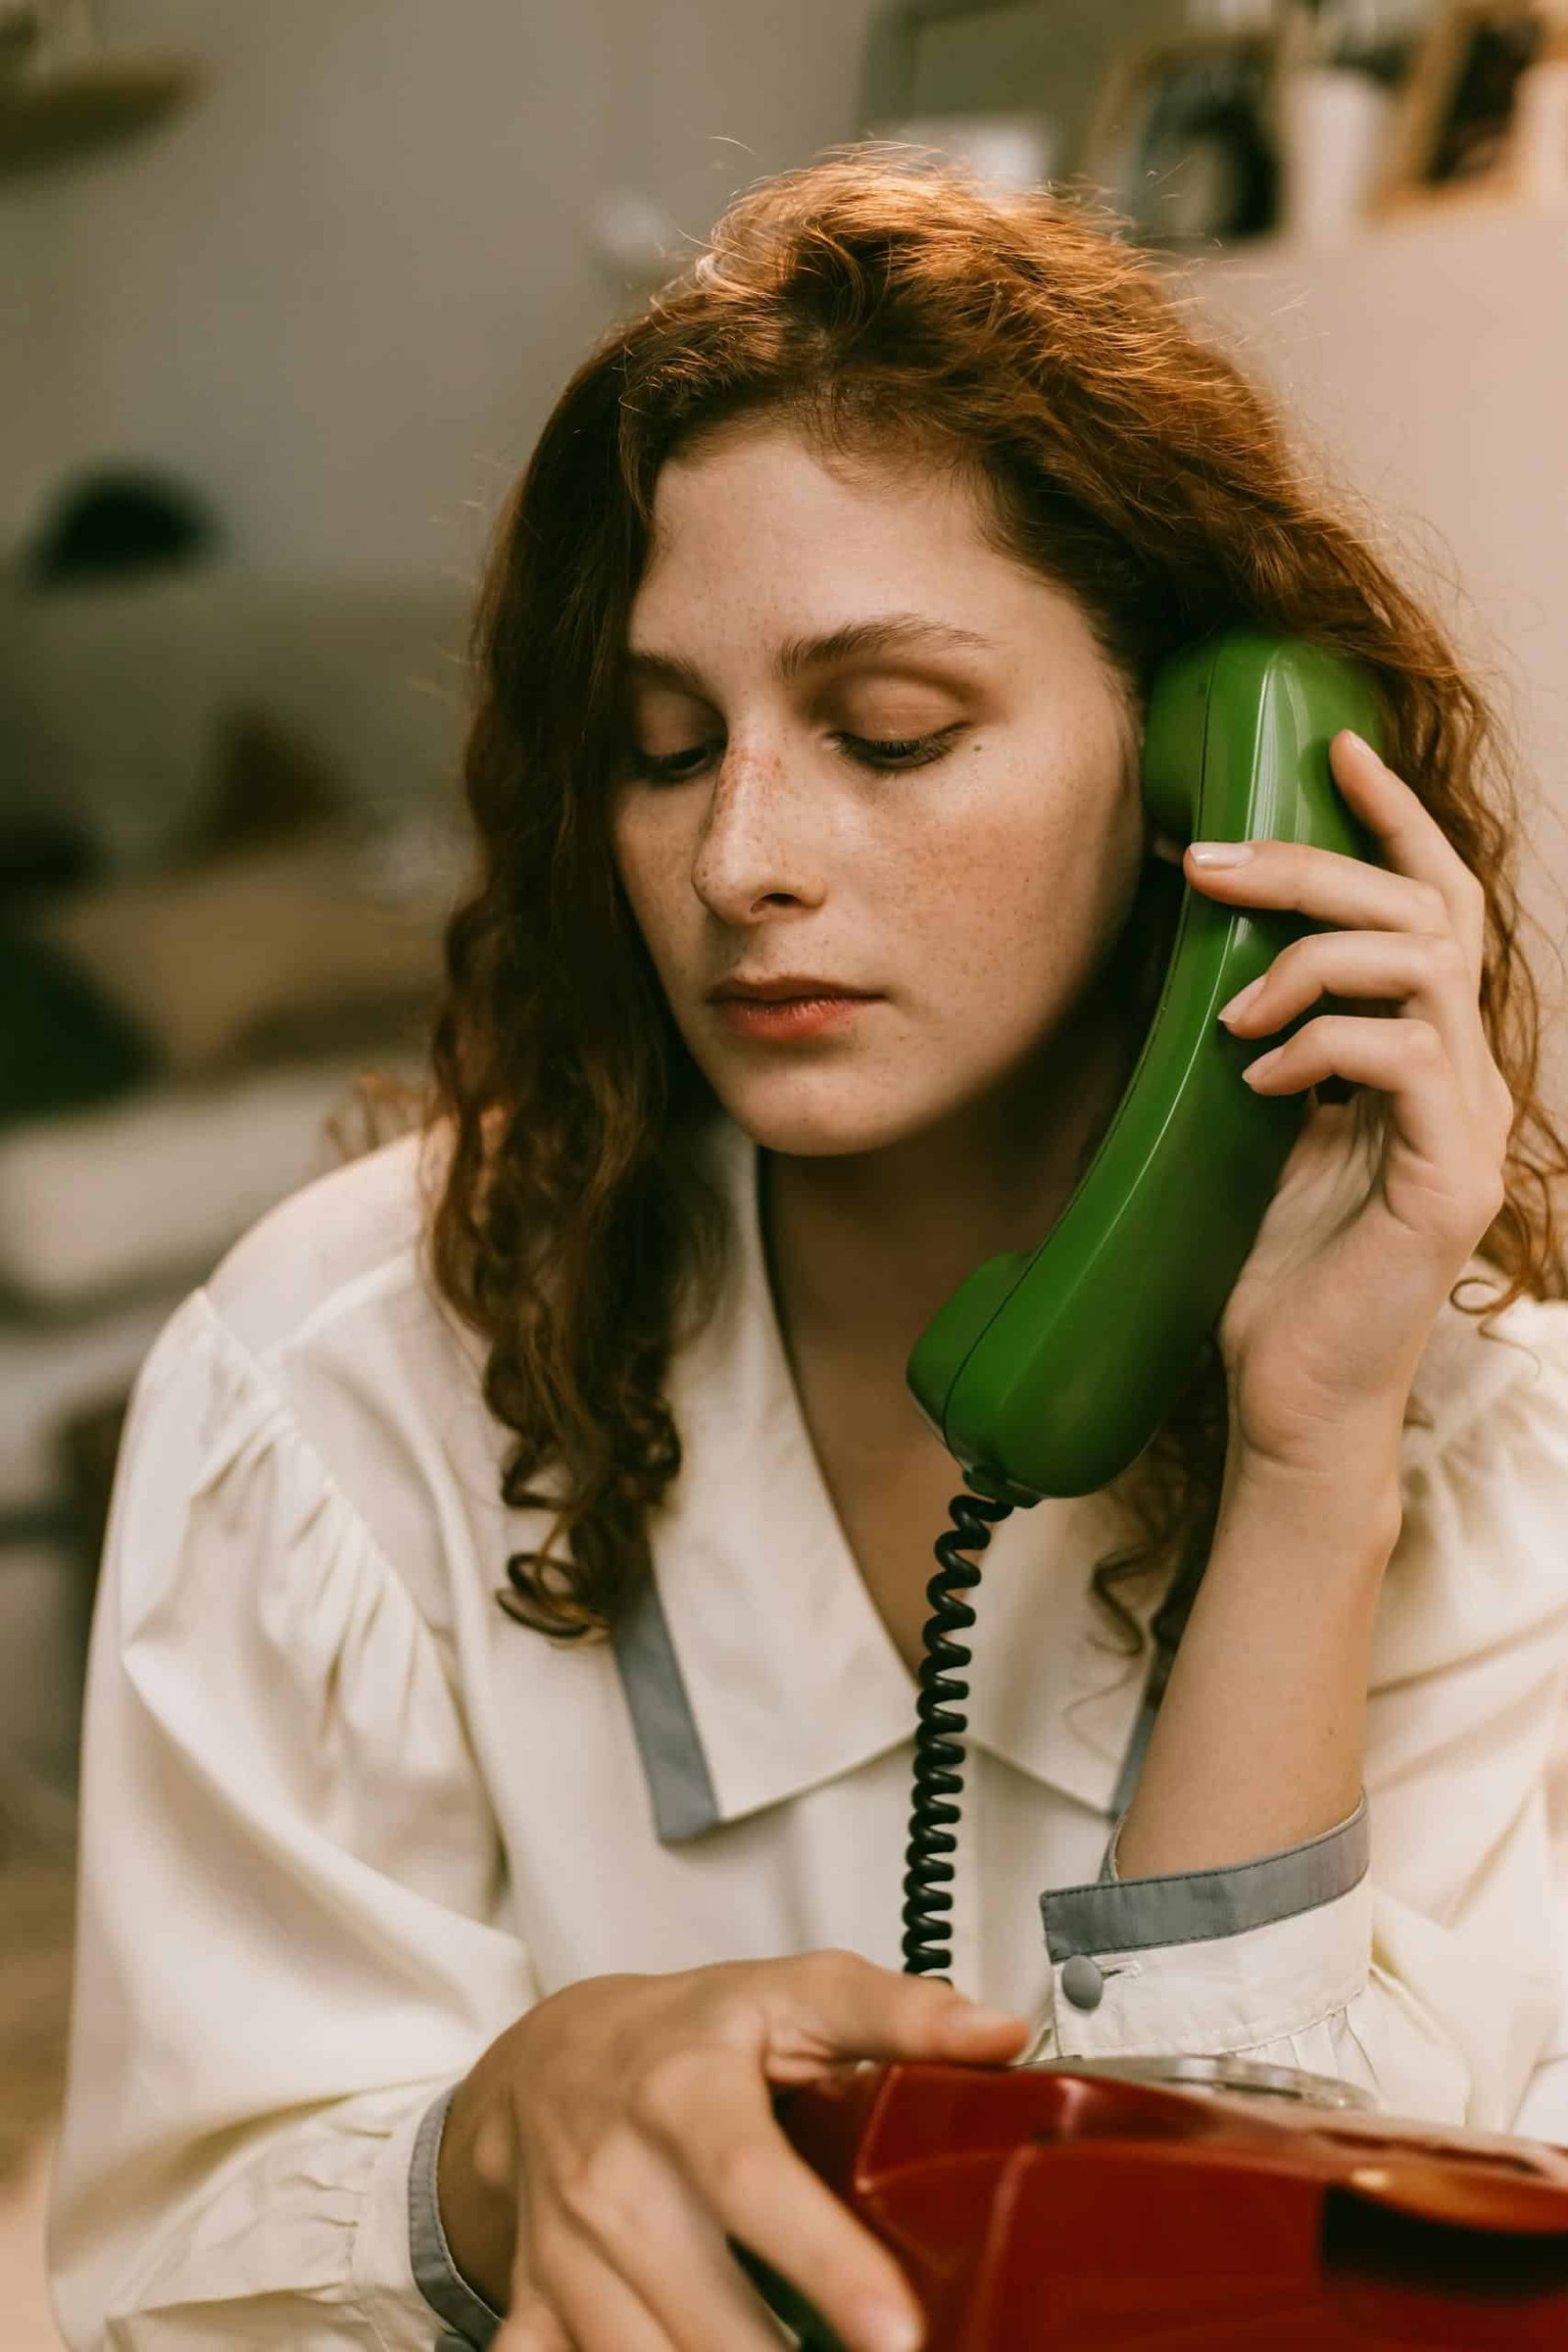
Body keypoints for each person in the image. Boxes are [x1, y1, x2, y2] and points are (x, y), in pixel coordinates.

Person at [50, 150, 1568, 2352]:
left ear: (1212, 788)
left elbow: (1289, 2304)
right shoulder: (335, 1381)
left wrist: (1311, 1457)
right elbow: (169, 2288)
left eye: (887, 735)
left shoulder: (1485, 1440)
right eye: (663, 751)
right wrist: (493, 2144)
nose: (740, 858)